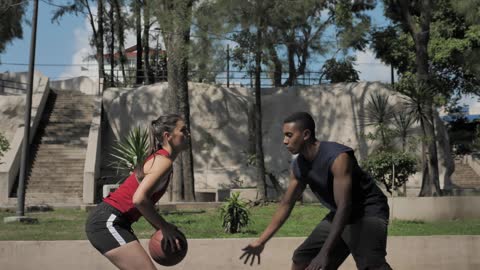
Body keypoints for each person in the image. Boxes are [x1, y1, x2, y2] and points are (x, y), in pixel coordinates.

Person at [241, 112, 392, 270]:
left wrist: (324, 253)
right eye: (284, 136)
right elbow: (286, 204)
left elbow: (344, 206)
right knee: (303, 259)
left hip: (368, 211)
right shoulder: (299, 166)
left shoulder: (338, 157)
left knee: (371, 264)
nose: (285, 141)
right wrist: (261, 241)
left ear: (306, 134)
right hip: (340, 213)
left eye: (289, 135)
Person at [85, 114, 190, 270]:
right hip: (107, 221)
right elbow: (139, 199)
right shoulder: (163, 162)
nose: (188, 134)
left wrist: (160, 227)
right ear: (168, 136)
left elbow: (143, 203)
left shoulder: (162, 160)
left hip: (115, 221)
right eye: (183, 130)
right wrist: (164, 226)